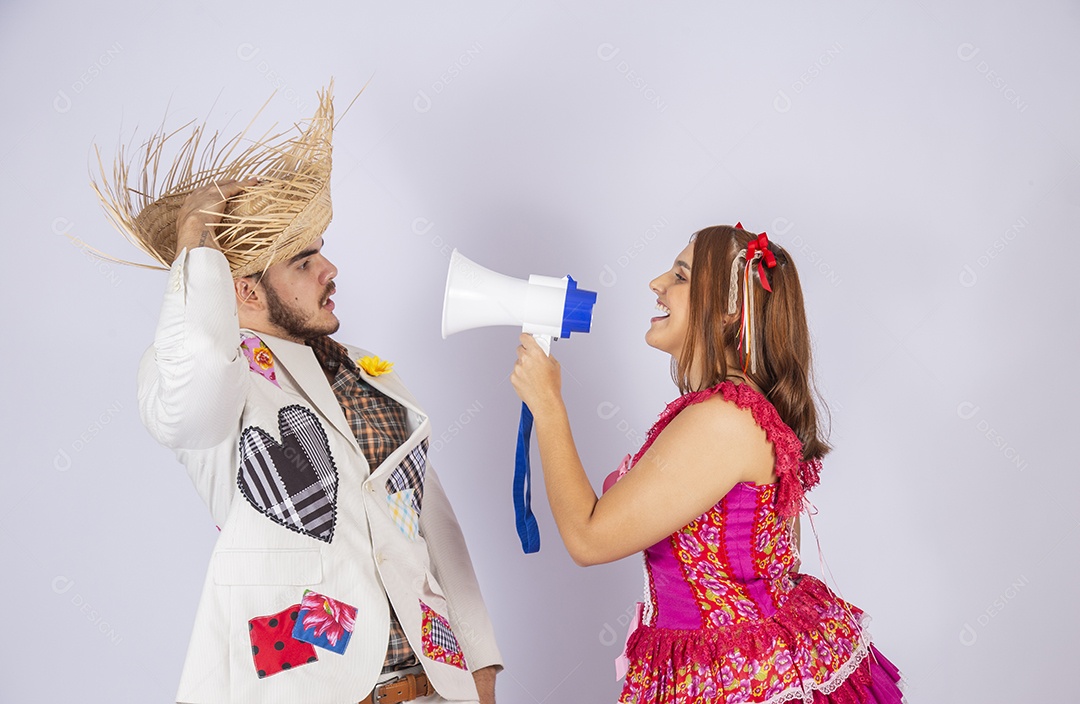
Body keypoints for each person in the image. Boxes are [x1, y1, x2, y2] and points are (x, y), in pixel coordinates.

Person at [98, 84, 502, 703]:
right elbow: (197, 379)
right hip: (304, 679)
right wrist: (195, 243)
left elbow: (430, 525)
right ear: (245, 291)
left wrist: (480, 663)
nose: (330, 270)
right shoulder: (206, 378)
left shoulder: (371, 373)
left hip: (429, 682)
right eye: (303, 262)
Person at [510, 224, 903, 703]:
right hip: (740, 665)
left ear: (729, 309)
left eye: (679, 275)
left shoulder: (723, 419)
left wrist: (548, 406)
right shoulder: (737, 410)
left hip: (740, 680)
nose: (656, 284)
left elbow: (588, 538)